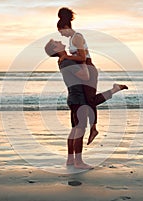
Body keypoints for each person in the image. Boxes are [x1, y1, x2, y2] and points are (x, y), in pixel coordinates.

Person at [44, 39, 127, 169]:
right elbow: (85, 76)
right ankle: (78, 162)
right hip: (79, 99)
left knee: (74, 130)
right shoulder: (67, 61)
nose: (60, 41)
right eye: (56, 42)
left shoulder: (64, 60)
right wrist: (83, 61)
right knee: (80, 130)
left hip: (74, 98)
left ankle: (70, 160)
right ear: (55, 49)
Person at [56, 7, 128, 145]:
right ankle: (93, 127)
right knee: (87, 100)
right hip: (84, 68)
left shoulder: (77, 37)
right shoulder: (72, 38)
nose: (61, 35)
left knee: (90, 100)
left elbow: (83, 57)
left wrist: (66, 56)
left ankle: (114, 91)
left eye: (61, 31)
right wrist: (66, 58)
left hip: (88, 68)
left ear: (65, 27)